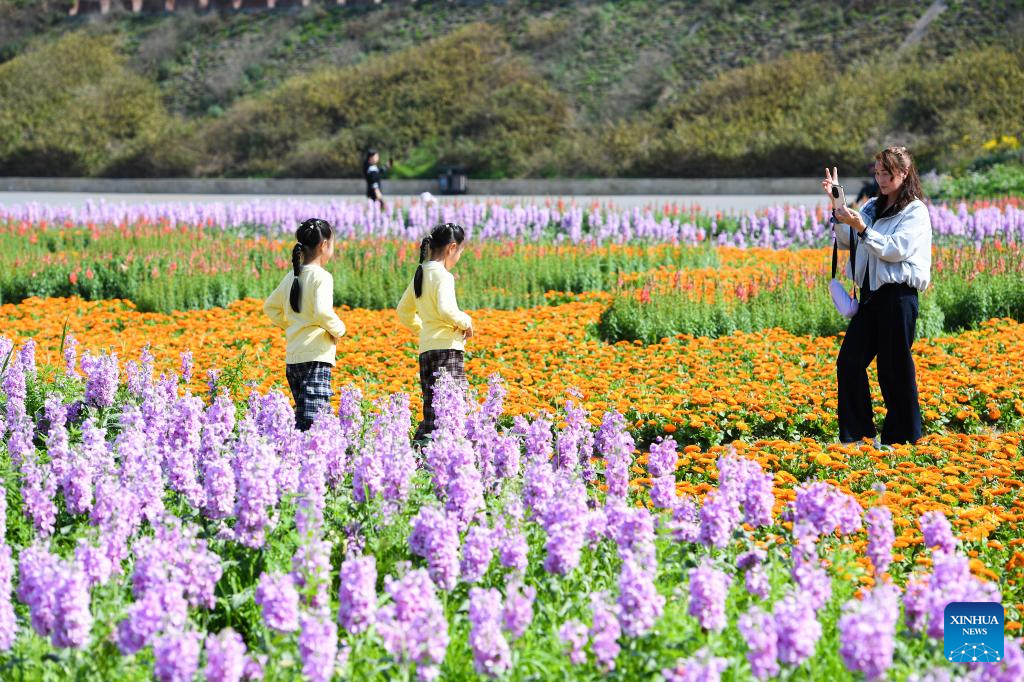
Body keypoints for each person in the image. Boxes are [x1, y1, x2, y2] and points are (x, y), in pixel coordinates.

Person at [825, 146, 932, 446]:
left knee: (894, 368)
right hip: (871, 298)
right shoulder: (871, 206)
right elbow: (847, 241)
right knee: (849, 361)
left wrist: (862, 228)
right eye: (877, 173)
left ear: (904, 173)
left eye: (887, 173)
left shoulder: (915, 211)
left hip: (898, 296)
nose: (881, 179)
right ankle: (858, 435)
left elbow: (896, 249)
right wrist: (839, 208)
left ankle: (903, 439)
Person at [263, 218, 347, 432]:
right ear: (324, 246)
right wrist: (339, 329)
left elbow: (270, 307)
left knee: (304, 416)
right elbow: (322, 312)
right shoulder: (322, 277)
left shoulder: (293, 275)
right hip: (315, 357)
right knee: (314, 424)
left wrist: (292, 324)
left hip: (294, 358)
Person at [396, 222, 474, 444]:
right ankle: (432, 455)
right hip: (447, 349)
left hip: (427, 349)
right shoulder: (443, 275)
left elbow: (403, 310)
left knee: (432, 407)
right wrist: (465, 321)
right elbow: (446, 309)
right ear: (451, 248)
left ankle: (420, 452)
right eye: (459, 251)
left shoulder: (420, 274)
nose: (458, 256)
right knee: (450, 407)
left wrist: (423, 330)